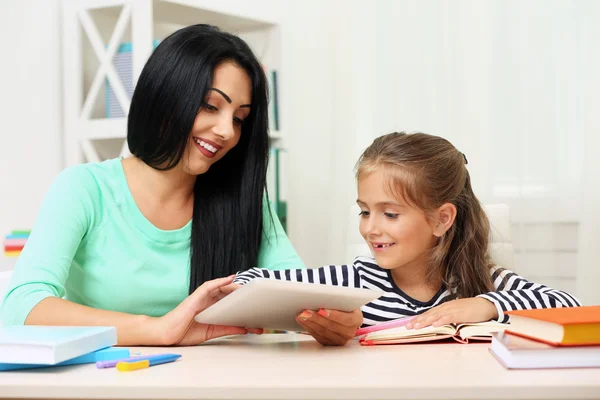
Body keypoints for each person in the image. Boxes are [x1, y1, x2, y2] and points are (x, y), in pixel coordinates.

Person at [0, 24, 361, 346]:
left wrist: (333, 319)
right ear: (165, 97)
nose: (226, 131)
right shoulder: (84, 189)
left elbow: (298, 294)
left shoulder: (243, 201)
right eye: (209, 106)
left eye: (239, 119)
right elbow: (21, 306)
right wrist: (157, 329)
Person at [234, 132, 582, 339]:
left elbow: (568, 305)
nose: (371, 228)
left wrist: (484, 305)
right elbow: (250, 280)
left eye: (390, 214)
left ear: (441, 219)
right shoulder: (353, 282)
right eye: (364, 211)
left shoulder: (479, 281)